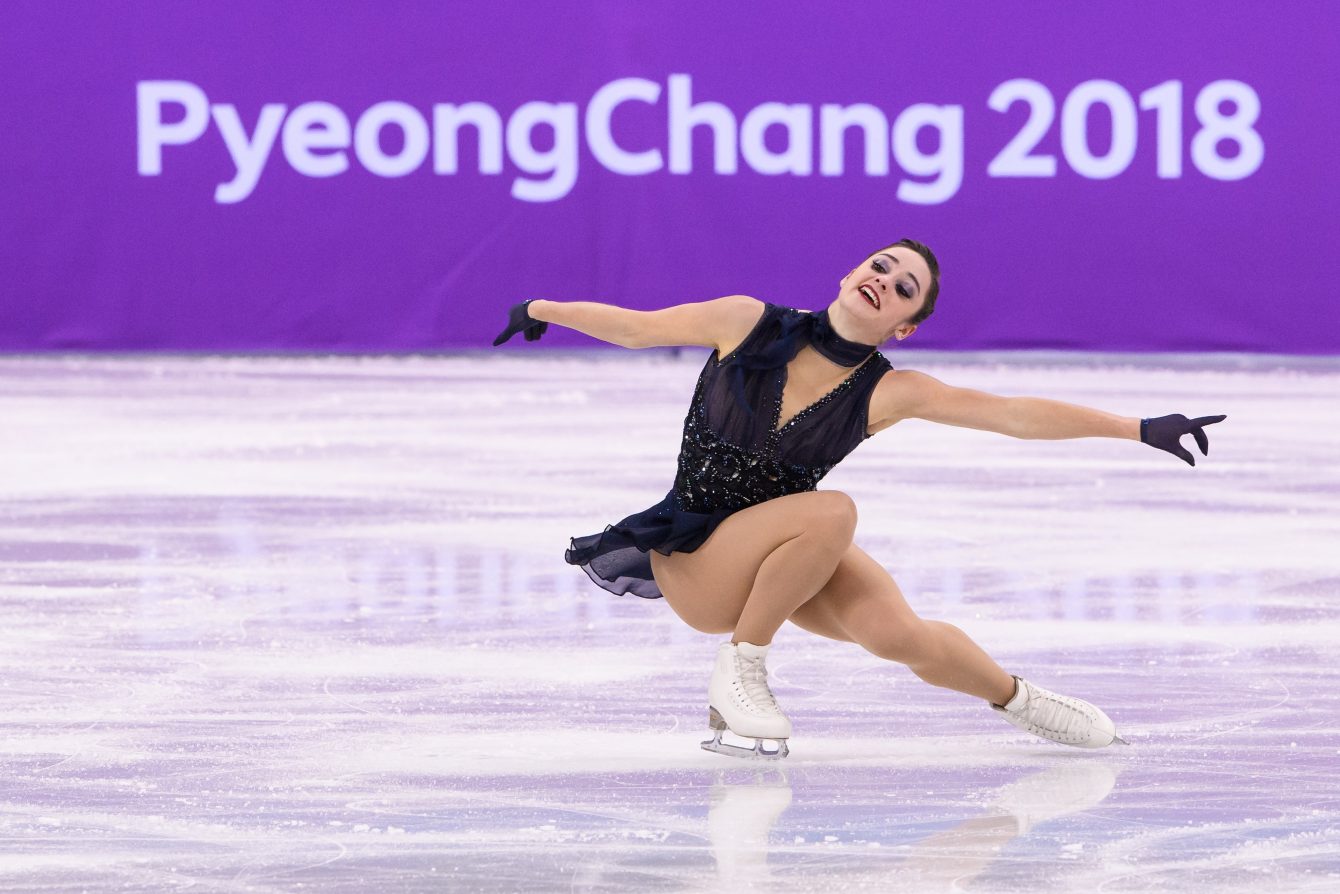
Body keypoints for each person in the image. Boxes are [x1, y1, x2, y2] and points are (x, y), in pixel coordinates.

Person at [492, 239, 1225, 760]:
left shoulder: (889, 391)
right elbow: (637, 328)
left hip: (784, 554)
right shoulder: (744, 321)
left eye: (905, 288)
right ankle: (741, 667)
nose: (885, 280)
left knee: (901, 634)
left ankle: (1022, 701)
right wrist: (541, 306)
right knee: (834, 512)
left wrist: (1136, 428)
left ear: (904, 326)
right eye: (881, 265)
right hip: (696, 562)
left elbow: (1012, 415)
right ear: (849, 274)